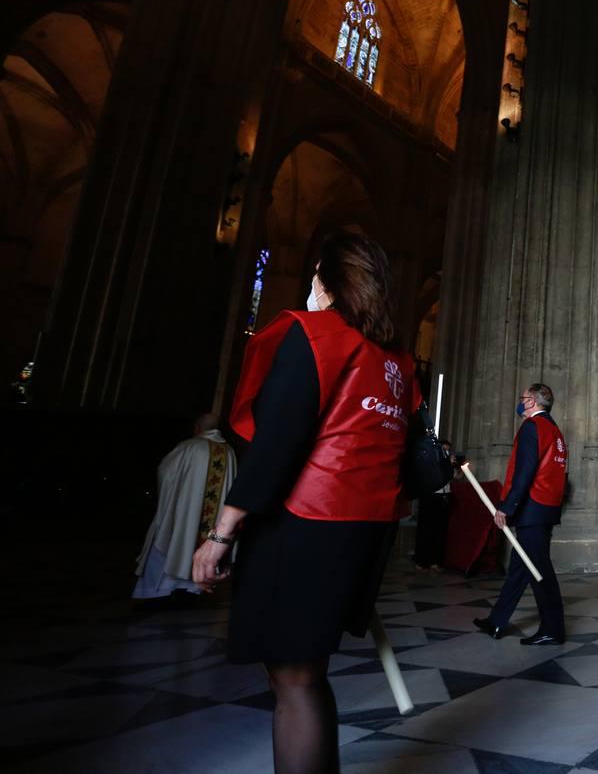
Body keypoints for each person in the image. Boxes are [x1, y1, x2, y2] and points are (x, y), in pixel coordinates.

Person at [191, 233, 418, 773]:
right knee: (306, 676)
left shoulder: (315, 335)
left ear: (328, 281)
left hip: (305, 522)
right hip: (361, 530)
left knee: (292, 682)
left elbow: (279, 442)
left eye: (316, 276)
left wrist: (222, 532)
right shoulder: (399, 363)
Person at [475, 383, 568, 645]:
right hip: (546, 508)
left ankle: (553, 629)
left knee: (539, 570)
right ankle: (497, 621)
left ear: (531, 402)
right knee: (520, 568)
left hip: (532, 508)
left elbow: (525, 472)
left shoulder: (532, 427)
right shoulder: (555, 430)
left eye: (523, 398)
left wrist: (506, 506)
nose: (520, 402)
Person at [133, 413, 237, 601]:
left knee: (175, 540)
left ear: (197, 428)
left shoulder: (189, 446)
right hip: (213, 521)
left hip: (183, 516)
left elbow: (165, 473)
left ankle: (157, 592)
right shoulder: (229, 452)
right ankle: (192, 589)